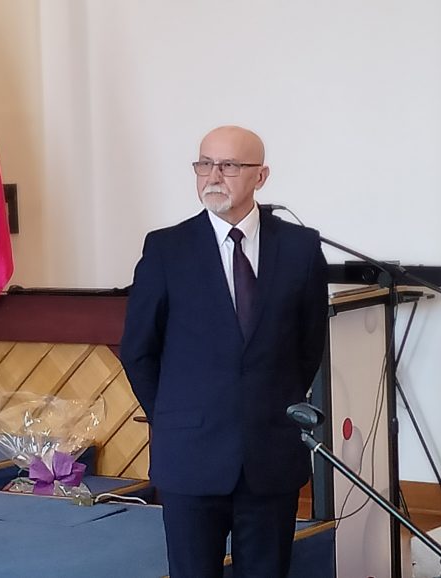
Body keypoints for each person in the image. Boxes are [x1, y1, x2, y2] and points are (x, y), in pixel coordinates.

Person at [120, 126, 328, 578]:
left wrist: (270, 405)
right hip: (189, 454)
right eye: (204, 164)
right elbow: (138, 350)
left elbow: (308, 346)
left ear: (261, 176)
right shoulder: (166, 249)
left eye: (229, 165)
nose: (213, 176)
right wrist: (172, 415)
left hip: (270, 453)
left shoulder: (301, 248)